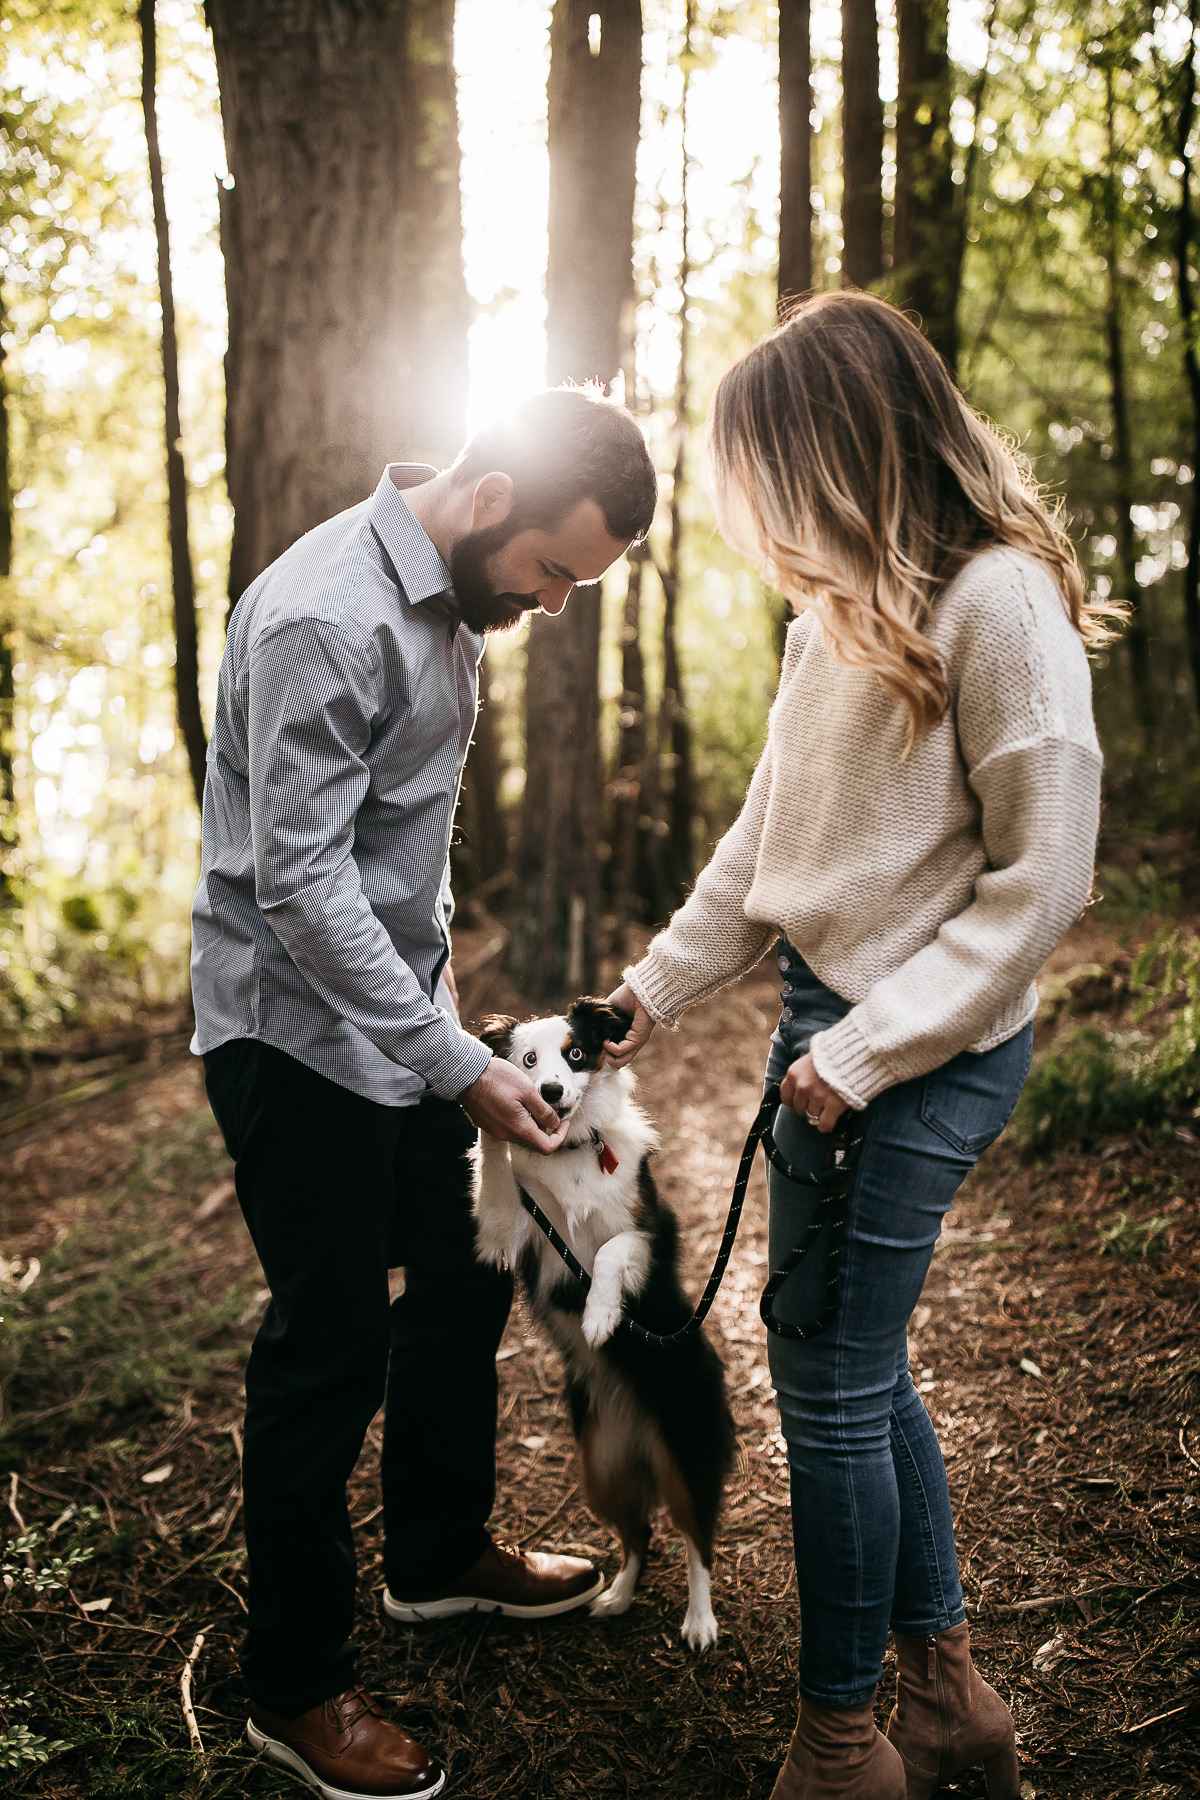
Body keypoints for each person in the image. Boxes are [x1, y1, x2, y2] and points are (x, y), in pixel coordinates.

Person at [606, 292, 1109, 1800]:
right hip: (837, 1035)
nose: (749, 516)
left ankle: (843, 1743)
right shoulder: (831, 619)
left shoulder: (1000, 606)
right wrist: (652, 992)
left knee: (821, 1383)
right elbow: (769, 846)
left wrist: (872, 1053)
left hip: (923, 1052)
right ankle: (945, 1697)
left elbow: (1042, 886)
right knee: (853, 1363)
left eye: (760, 477)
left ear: (835, 454)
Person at [191, 387, 657, 1800]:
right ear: (489, 492)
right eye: (556, 570)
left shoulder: (449, 612)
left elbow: (399, 866)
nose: (559, 604)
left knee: (461, 1276)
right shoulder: (327, 616)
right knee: (327, 1348)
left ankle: (439, 1559)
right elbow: (305, 888)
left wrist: (448, 1038)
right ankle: (296, 1687)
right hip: (287, 1036)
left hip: (393, 1037)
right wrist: (461, 1069)